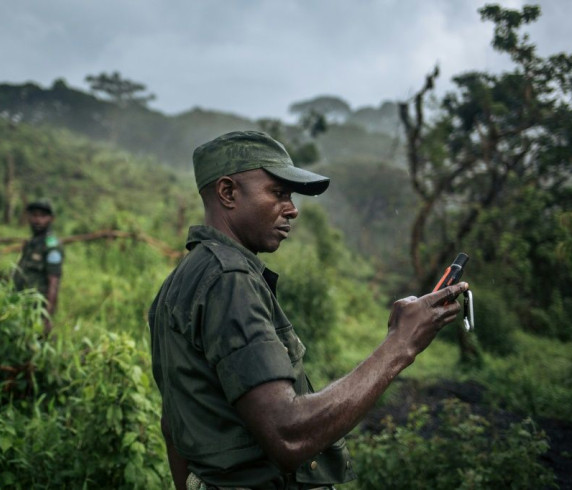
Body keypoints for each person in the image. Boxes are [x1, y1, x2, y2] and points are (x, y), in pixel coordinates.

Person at [148, 131, 467, 490]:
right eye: (279, 193)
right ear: (228, 193)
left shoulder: (177, 284)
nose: (292, 209)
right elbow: (289, 435)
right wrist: (400, 344)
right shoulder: (230, 280)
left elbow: (174, 426)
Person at [13, 199, 63, 335]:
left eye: (42, 216)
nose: (37, 220)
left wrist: (47, 316)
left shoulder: (52, 246)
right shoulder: (31, 243)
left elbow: (54, 281)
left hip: (37, 310)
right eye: (34, 215)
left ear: (51, 219)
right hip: (21, 305)